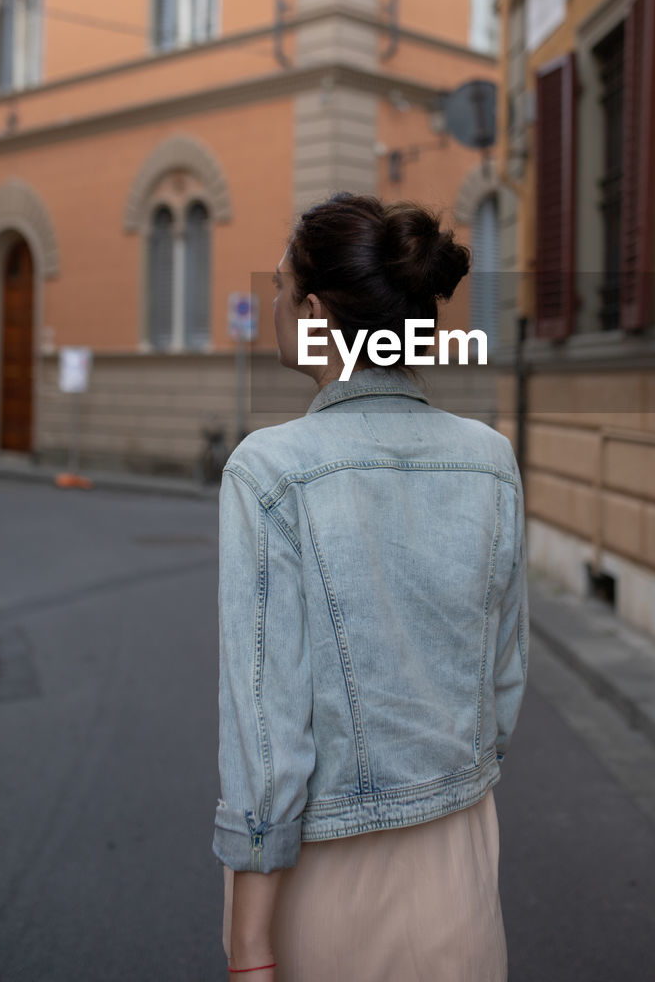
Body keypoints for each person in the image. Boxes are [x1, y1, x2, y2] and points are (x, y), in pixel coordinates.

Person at [213, 192, 529, 981]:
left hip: (328, 878)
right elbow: (504, 676)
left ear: (314, 310)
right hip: (463, 862)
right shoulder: (490, 458)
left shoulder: (268, 468)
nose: (278, 307)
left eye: (282, 291)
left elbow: (266, 728)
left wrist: (250, 949)